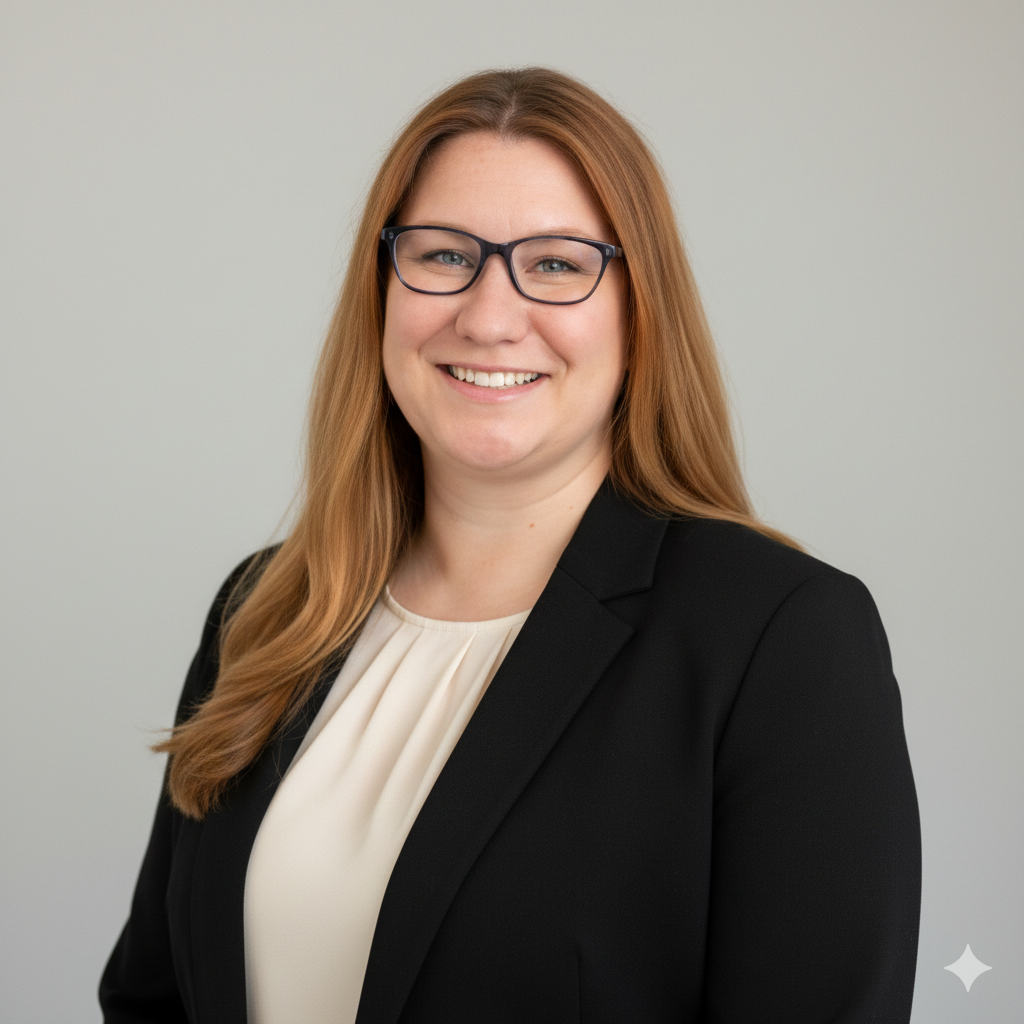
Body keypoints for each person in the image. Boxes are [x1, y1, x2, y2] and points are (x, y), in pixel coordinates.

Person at [99, 67, 921, 1024]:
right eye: (445, 256)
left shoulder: (779, 642)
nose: (489, 318)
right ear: (382, 291)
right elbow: (152, 999)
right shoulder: (269, 607)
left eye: (559, 264)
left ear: (638, 308)